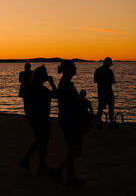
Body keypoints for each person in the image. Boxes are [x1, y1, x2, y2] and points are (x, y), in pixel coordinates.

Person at [52, 60, 85, 188]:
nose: (76, 69)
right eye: (74, 68)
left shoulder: (65, 83)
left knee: (72, 150)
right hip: (69, 120)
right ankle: (59, 171)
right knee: (77, 150)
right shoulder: (66, 84)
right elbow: (71, 103)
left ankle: (71, 177)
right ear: (68, 70)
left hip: (66, 119)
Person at [19, 65, 57, 175]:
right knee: (43, 141)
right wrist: (51, 82)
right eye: (45, 74)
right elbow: (56, 94)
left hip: (35, 117)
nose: (47, 76)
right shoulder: (41, 89)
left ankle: (26, 159)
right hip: (41, 117)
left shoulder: (33, 87)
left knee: (40, 140)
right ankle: (42, 166)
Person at [94, 57, 116, 129]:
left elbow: (95, 81)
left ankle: (99, 123)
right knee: (111, 108)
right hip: (108, 91)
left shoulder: (98, 70)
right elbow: (113, 81)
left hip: (101, 92)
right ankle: (111, 123)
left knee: (100, 108)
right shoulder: (110, 72)